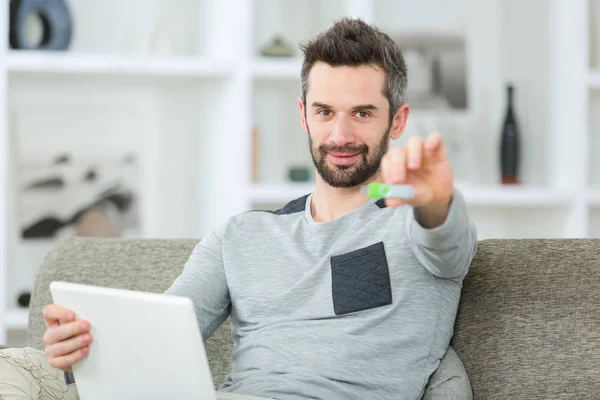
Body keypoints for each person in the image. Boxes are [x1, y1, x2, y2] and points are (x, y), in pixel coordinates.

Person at [42, 18, 477, 400]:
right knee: (17, 368)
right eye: (325, 112)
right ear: (304, 115)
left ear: (397, 121)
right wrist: (83, 346)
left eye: (362, 113)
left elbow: (446, 239)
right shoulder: (239, 236)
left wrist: (436, 198)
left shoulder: (416, 223)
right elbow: (159, 336)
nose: (340, 134)